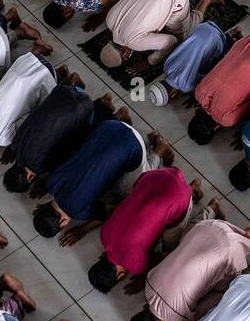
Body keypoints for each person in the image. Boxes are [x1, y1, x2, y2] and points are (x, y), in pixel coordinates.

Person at [32, 117, 168, 240]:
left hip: (131, 145)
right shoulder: (51, 182)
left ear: (63, 222)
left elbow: (110, 212)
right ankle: (149, 137)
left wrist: (82, 230)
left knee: (134, 190)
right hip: (110, 126)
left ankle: (159, 151)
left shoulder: (78, 212)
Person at [86, 167, 194, 292]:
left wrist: (145, 278)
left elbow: (164, 258)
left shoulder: (136, 265)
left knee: (172, 244)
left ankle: (191, 194)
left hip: (178, 195)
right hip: (155, 176)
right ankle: (189, 188)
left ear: (120, 276)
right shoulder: (104, 235)